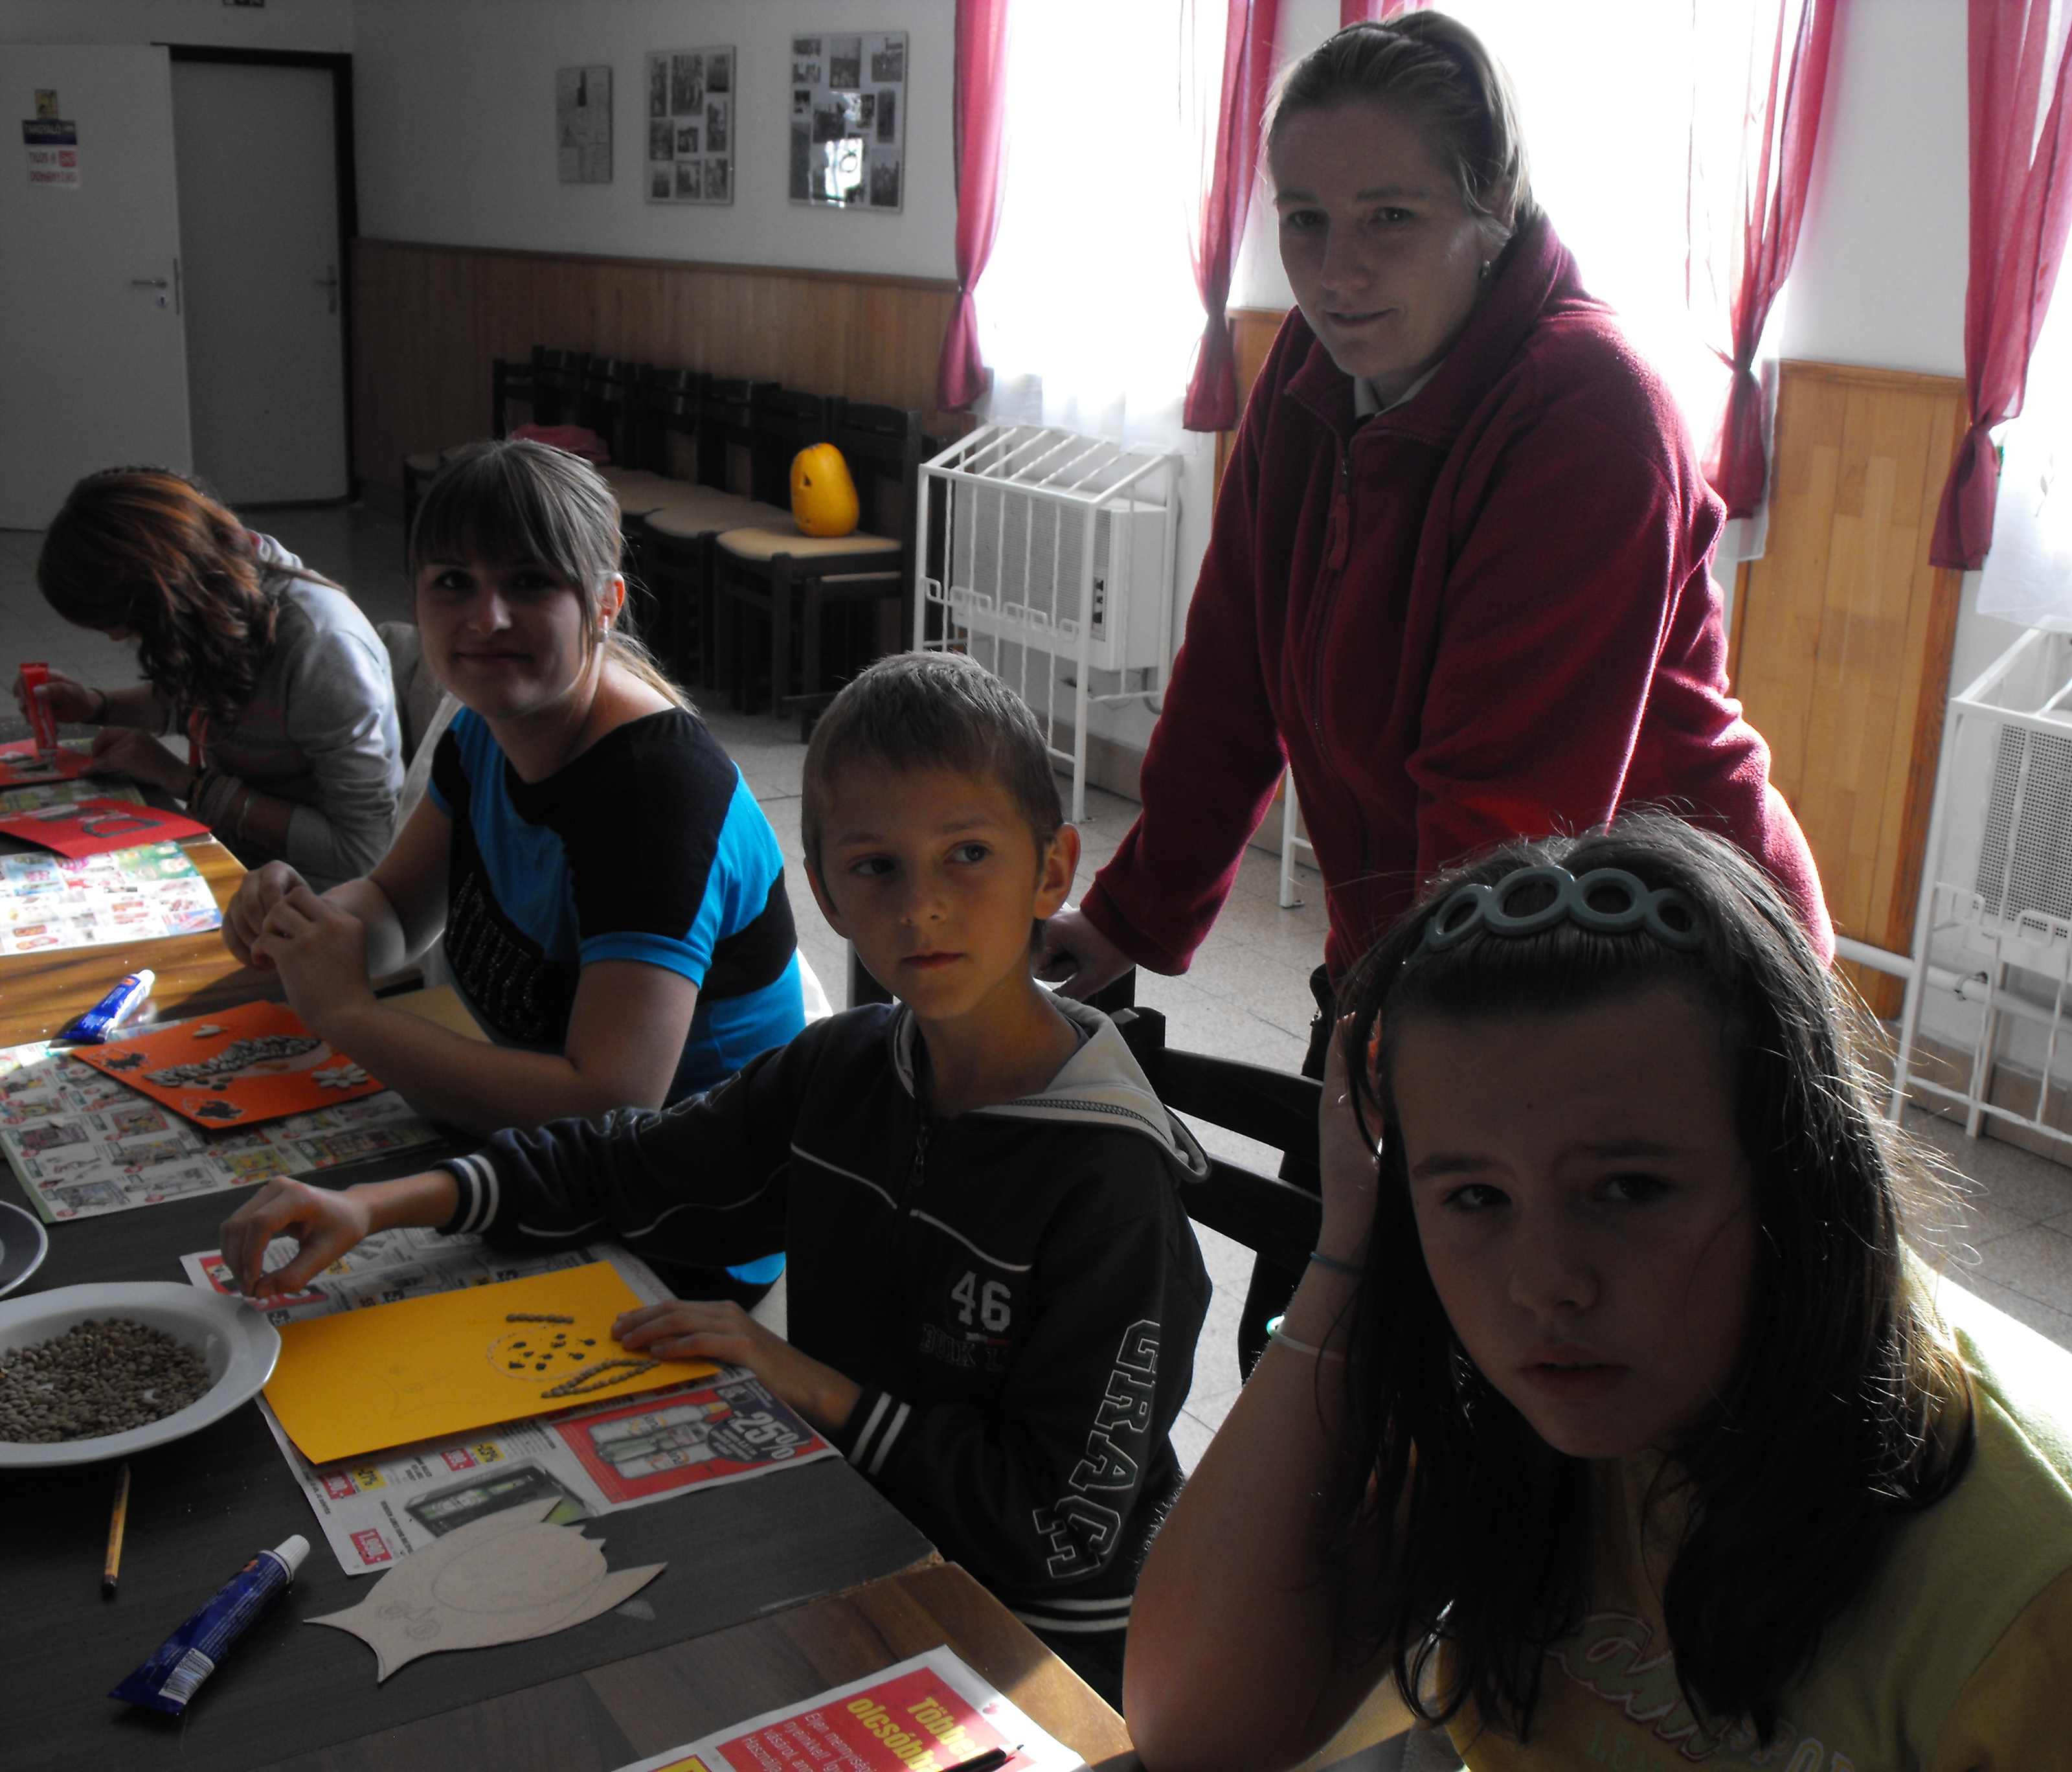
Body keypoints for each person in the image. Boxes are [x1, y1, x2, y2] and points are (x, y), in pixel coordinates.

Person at [1034, 14, 1830, 1376]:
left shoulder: (1587, 408)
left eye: (1389, 217)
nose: (1336, 270)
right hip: (1429, 948)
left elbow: (1504, 823)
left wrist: (1396, 1054)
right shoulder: (1312, 367)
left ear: (1490, 209)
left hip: (1643, 977)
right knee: (1320, 1357)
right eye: (1303, 219)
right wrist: (1130, 914)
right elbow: (1231, 668)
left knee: (1509, 1389)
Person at [1125, 816, 2072, 1771]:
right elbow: (1193, 1730)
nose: (1545, 1283)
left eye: (1629, 1188)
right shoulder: (1512, 1391)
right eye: (1474, 1195)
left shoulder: (2071, 1595)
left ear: (1794, 1173)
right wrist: (1351, 1255)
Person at [218, 650, 1213, 1705]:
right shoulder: (848, 1065)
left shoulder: (1108, 1183)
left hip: (1041, 1644)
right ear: (824, 889)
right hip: (853, 1528)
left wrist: (806, 1382)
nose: (922, 908)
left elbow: (1057, 1530)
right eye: (876, 867)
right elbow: (627, 1161)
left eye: (968, 855)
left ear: (1053, 872)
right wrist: (376, 1205)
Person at [220, 441, 806, 1188]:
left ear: (605, 605)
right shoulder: (484, 728)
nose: (487, 618)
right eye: (453, 582)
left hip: (689, 1203)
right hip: (537, 1158)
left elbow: (609, 1106)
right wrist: (305, 926)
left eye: (530, 582)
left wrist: (351, 1018)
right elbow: (397, 908)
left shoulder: (654, 796)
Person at [23, 466, 403, 889]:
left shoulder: (323, 650)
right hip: (245, 853)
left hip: (318, 892)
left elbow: (360, 850)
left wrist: (186, 782)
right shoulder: (218, 578)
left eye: (126, 626)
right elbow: (212, 703)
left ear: (162, 596)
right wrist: (97, 706)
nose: (116, 638)